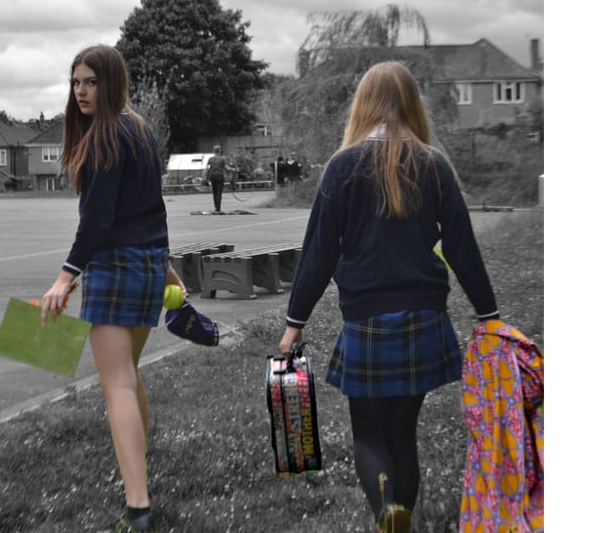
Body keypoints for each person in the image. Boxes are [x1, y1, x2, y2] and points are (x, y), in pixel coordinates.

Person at [277, 62, 501, 533]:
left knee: (369, 433)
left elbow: (319, 251)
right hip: (425, 318)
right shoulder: (434, 163)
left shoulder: (344, 166)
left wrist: (294, 321)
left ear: (364, 105)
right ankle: (403, 514)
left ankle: (385, 514)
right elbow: (462, 247)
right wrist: (489, 314)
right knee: (404, 432)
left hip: (367, 321)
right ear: (411, 104)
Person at [39, 44, 184, 533]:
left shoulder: (106, 135)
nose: (81, 91)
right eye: (76, 82)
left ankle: (138, 508)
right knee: (129, 375)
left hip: (115, 267)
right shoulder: (139, 129)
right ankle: (140, 469)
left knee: (117, 384)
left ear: (111, 83)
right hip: (145, 269)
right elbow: (153, 208)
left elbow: (97, 221)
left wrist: (66, 275)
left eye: (90, 82)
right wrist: (165, 268)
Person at [203, 145, 234, 214]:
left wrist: (204, 177)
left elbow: (207, 169)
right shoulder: (222, 159)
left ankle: (216, 207)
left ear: (214, 151)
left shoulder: (210, 159)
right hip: (220, 177)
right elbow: (227, 168)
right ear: (219, 151)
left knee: (214, 192)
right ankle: (218, 209)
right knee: (219, 193)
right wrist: (233, 169)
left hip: (212, 177)